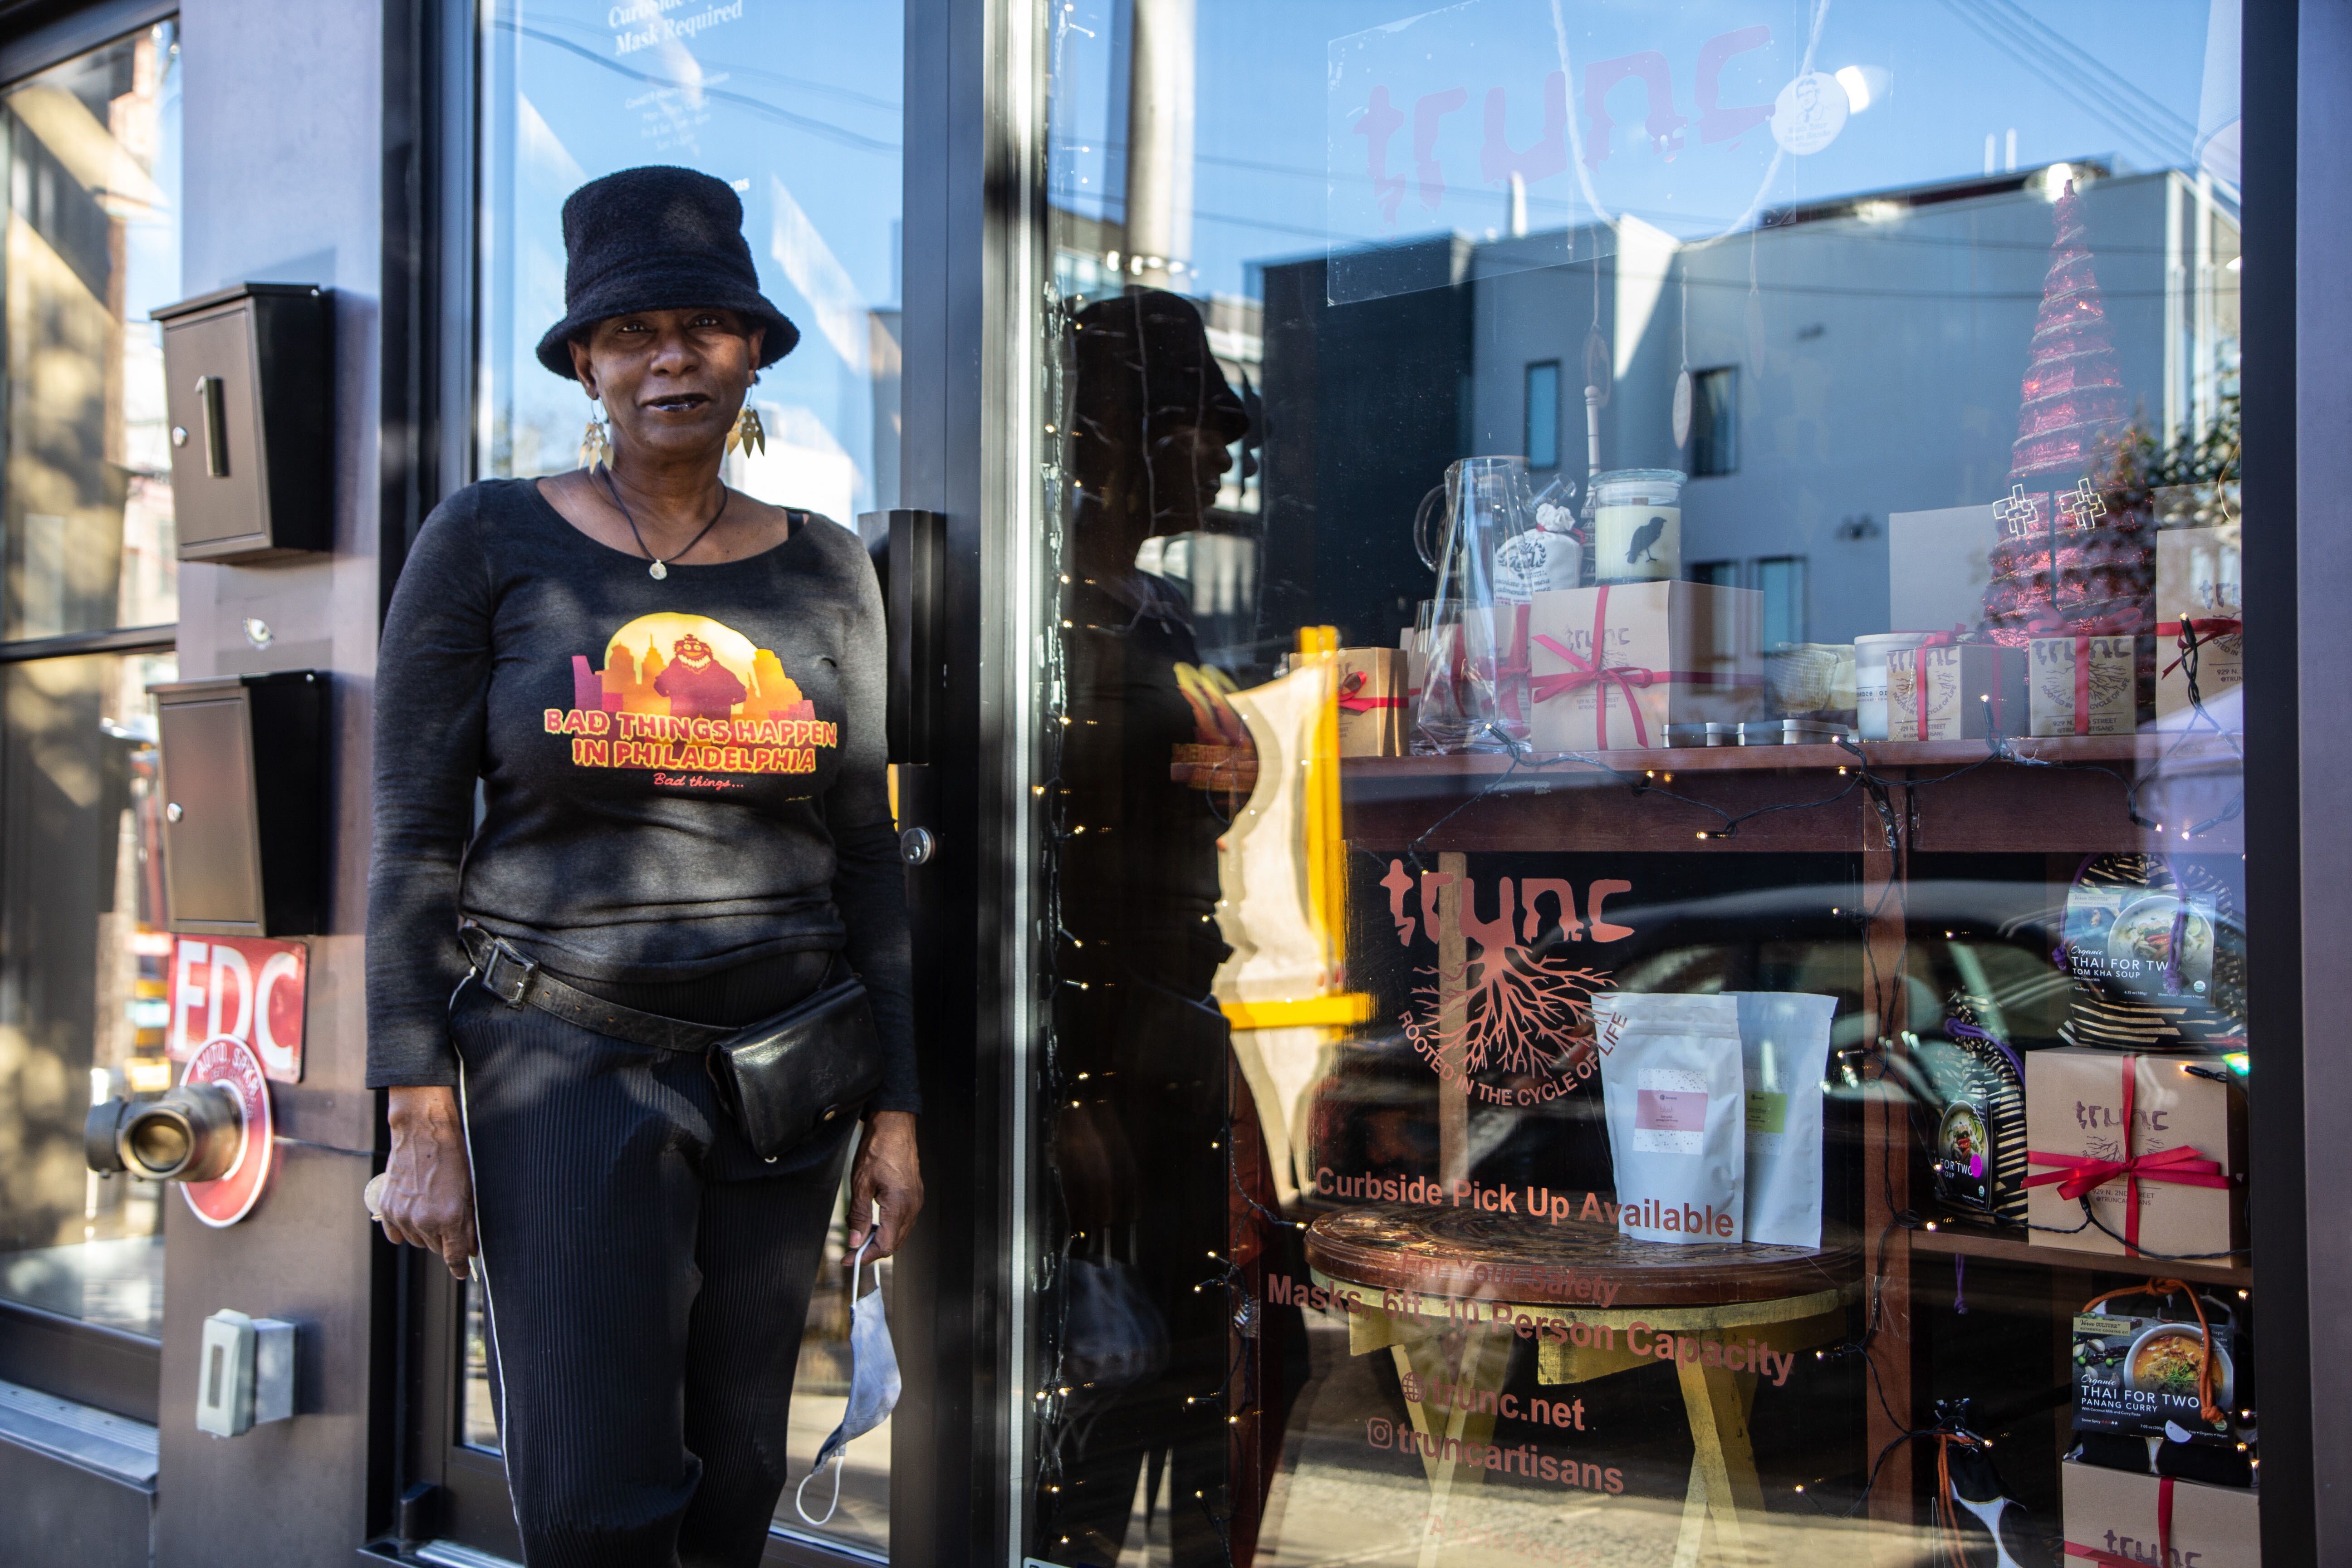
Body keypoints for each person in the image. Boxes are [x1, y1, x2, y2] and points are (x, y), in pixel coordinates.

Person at [364, 165, 921, 1568]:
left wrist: (900, 1114)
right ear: (587, 365)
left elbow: (864, 851)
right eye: (632, 334)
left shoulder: (828, 567)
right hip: (562, 1061)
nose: (671, 357)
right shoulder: (489, 539)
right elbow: (415, 840)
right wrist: (420, 1117)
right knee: (598, 1499)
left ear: (751, 355)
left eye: (704, 328)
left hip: (785, 1071)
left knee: (735, 1475)